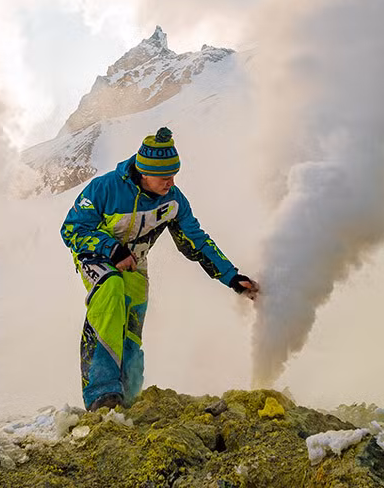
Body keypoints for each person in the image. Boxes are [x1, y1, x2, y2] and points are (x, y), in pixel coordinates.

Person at [60, 127, 259, 411]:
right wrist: (112, 250)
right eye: (164, 176)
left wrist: (232, 278)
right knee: (111, 292)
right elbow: (72, 229)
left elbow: (197, 242)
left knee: (131, 328)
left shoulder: (174, 201)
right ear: (143, 172)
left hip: (136, 265)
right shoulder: (105, 188)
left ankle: (128, 399)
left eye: (174, 175)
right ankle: (102, 397)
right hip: (95, 256)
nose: (171, 182)